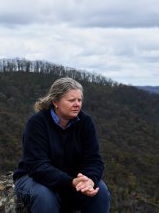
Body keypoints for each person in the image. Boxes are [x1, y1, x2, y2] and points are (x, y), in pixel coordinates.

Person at [13, 77, 111, 213]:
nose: (77, 104)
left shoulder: (85, 122)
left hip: (71, 180)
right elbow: (37, 166)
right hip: (34, 179)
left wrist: (89, 180)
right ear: (55, 102)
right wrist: (70, 182)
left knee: (100, 191)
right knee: (45, 196)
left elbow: (93, 159)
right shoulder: (37, 123)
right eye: (71, 100)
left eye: (79, 100)